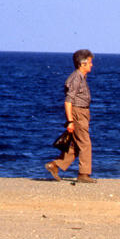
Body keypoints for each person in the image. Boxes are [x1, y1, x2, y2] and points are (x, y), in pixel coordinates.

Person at [46, 49, 96, 183]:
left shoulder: (80, 77)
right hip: (78, 112)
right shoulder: (75, 78)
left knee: (75, 145)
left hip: (82, 112)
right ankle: (84, 174)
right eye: (90, 62)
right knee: (85, 143)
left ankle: (55, 165)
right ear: (82, 64)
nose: (92, 65)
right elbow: (68, 101)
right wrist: (70, 121)